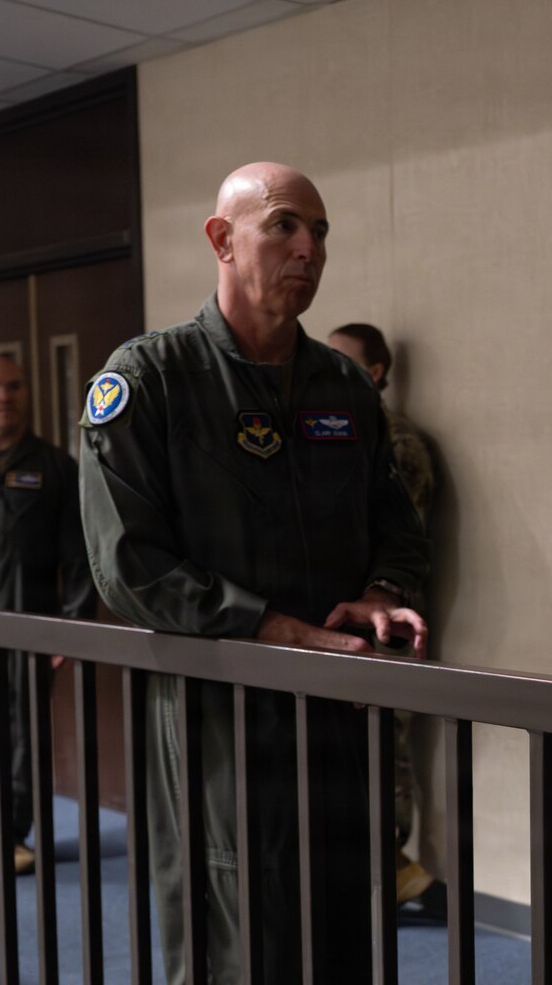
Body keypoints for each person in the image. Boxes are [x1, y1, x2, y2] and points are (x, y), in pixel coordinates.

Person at [79, 162, 431, 984]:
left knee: (343, 921)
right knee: (237, 932)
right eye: (283, 225)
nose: (309, 248)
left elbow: (398, 527)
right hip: (220, 713)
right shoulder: (149, 380)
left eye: (320, 233)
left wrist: (382, 594)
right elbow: (128, 565)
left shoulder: (342, 385)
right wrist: (268, 628)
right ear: (222, 239)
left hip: (340, 706)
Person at [0, 354, 95, 875]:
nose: (3, 397)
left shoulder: (56, 467)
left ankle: (11, 837)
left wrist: (73, 627)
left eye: (12, 386)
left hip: (29, 625)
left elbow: (80, 557)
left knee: (24, 739)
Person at [326, 322, 437, 907]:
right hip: (343, 627)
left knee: (384, 749)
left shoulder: (396, 442)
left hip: (386, 622)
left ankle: (394, 867)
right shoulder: (334, 434)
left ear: (373, 373)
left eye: (342, 360)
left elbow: (397, 542)